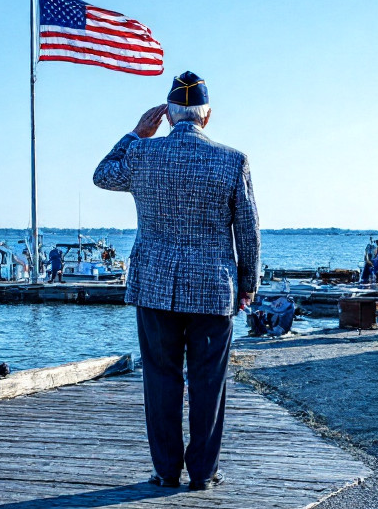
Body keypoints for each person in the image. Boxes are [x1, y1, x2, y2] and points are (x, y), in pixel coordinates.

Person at [93, 71, 260, 491]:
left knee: (160, 379)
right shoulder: (232, 159)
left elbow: (101, 174)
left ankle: (166, 471)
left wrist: (134, 133)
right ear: (207, 116)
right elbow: (248, 231)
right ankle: (203, 473)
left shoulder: (143, 154)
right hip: (213, 288)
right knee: (209, 383)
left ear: (167, 115)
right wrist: (249, 284)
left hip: (154, 286)